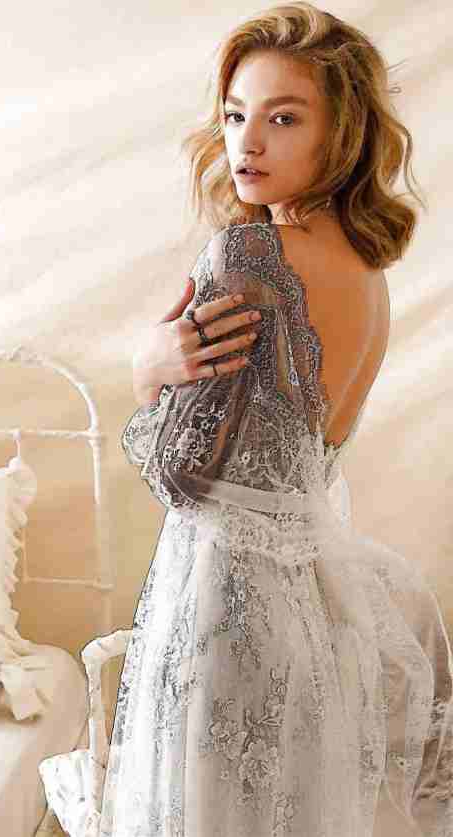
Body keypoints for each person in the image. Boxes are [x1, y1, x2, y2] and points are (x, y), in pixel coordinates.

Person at [45, 3, 453, 836]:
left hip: (223, 607)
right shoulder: (366, 268)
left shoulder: (249, 257)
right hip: (310, 611)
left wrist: (146, 370)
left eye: (283, 118)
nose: (248, 142)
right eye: (236, 115)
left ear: (341, 133)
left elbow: (179, 472)